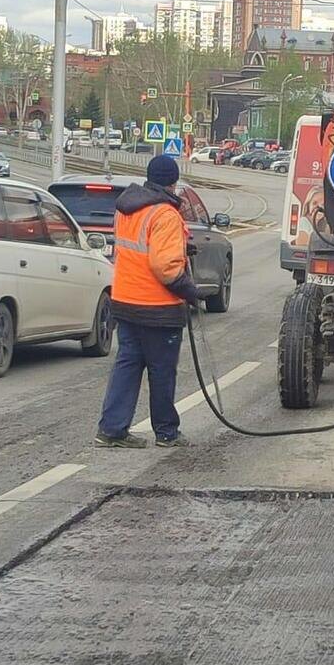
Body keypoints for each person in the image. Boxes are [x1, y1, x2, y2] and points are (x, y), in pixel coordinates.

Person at [95, 155, 211, 449]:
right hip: (157, 307)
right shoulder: (166, 214)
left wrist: (182, 247)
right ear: (173, 183)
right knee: (162, 371)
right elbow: (165, 267)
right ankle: (166, 432)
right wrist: (190, 291)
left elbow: (141, 249)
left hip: (124, 299)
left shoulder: (128, 208)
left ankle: (111, 429)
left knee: (128, 365)